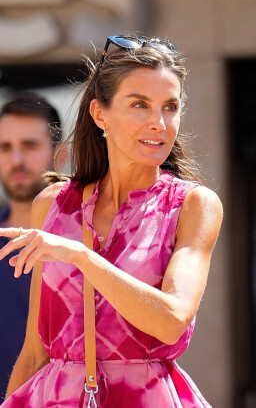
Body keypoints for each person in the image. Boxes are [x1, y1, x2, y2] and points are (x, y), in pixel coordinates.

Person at [0, 35, 223, 407]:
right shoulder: (53, 205)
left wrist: (82, 256)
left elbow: (172, 320)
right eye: (140, 105)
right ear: (100, 114)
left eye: (170, 107)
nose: (159, 123)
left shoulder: (193, 205)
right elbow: (35, 353)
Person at [0, 93, 61, 399]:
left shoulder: (88, 244)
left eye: (30, 146)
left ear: (60, 155)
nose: (17, 160)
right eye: (5, 148)